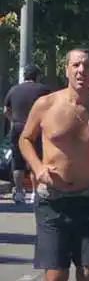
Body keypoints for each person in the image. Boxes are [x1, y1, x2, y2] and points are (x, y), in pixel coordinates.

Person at [19, 49, 89, 281]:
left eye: (87, 66)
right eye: (76, 65)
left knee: (88, 276)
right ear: (66, 69)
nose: (81, 70)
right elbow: (25, 139)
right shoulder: (46, 104)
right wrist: (37, 168)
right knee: (55, 279)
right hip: (53, 201)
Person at [4, 64, 51, 204]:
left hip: (17, 128)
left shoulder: (14, 90)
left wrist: (13, 120)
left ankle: (18, 192)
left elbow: (6, 110)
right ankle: (35, 192)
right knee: (35, 159)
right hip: (35, 128)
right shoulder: (43, 90)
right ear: (37, 76)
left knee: (17, 161)